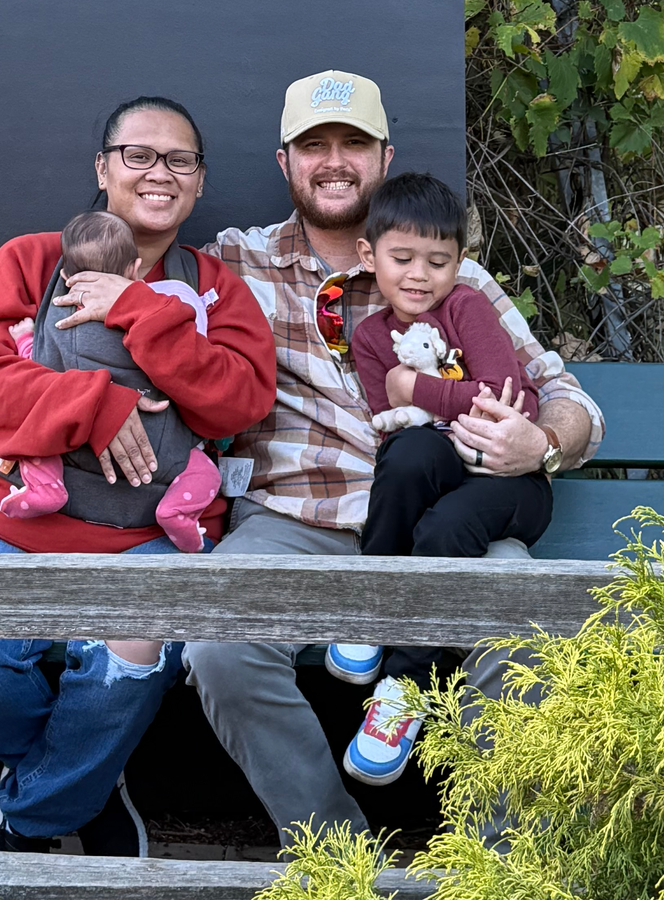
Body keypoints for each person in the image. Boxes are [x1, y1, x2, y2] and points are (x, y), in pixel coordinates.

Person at [184, 69, 605, 843]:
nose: (333, 162)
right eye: (314, 145)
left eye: (353, 143)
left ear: (384, 157)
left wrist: (542, 441)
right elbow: (146, 279)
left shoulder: (451, 274)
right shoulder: (236, 264)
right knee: (218, 644)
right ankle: (336, 858)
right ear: (284, 162)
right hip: (297, 521)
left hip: (447, 522)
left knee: (528, 635)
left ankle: (499, 867)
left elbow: (568, 398)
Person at [0, 96, 276, 857]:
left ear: (200, 180)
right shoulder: (30, 261)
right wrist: (97, 406)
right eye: (138, 155)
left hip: (154, 535)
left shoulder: (213, 288)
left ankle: (32, 819)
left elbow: (238, 401)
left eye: (180, 160)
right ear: (103, 168)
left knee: (130, 656)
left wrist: (142, 310)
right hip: (12, 521)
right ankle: (85, 783)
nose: (159, 173)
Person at [326, 172, 554, 787]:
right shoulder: (370, 337)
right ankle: (370, 607)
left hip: (511, 485)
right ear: (369, 256)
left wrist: (414, 385)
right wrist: (416, 396)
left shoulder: (466, 307)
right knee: (406, 457)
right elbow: (396, 422)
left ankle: (402, 688)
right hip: (441, 466)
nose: (419, 275)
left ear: (459, 263)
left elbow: (503, 396)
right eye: (402, 258)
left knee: (444, 525)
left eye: (438, 261)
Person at [0, 209, 222, 552]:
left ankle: (45, 487)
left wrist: (25, 337)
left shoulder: (58, 321)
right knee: (204, 470)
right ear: (134, 270)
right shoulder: (163, 315)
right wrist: (100, 404)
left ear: (65, 275)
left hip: (69, 450)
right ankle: (178, 511)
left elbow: (32, 366)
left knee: (36, 439)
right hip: (161, 452)